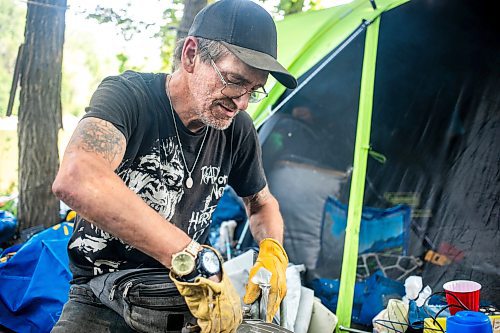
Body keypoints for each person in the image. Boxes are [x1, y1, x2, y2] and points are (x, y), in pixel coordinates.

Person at [51, 0, 297, 332]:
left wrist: (272, 251)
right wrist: (188, 255)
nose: (240, 102)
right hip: (99, 293)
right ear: (191, 55)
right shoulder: (130, 97)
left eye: (253, 91)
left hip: (186, 295)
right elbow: (77, 178)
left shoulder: (237, 130)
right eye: (234, 80)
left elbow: (262, 203)